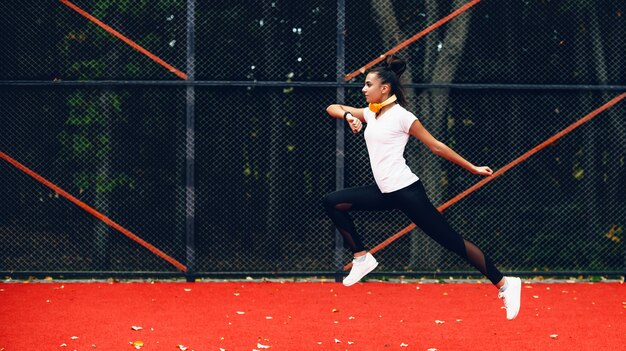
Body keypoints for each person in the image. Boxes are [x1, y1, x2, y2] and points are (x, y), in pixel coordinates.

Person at [323, 56, 521, 320]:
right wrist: (349, 116)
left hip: (407, 193)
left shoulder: (403, 117)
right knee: (332, 201)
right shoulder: (371, 113)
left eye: (368, 84)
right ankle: (362, 257)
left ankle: (506, 284)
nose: (363, 89)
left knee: (451, 241)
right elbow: (332, 107)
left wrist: (472, 167)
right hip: (383, 192)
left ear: (385, 89)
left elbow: (436, 145)